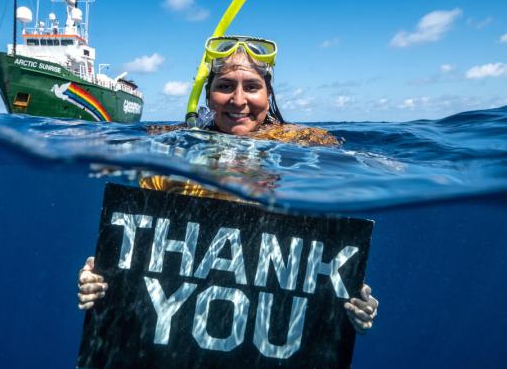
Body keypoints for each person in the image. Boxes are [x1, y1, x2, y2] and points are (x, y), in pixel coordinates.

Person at [78, 35, 379, 334]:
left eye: (251, 87)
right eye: (225, 86)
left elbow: (322, 234)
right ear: (208, 94)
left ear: (268, 92)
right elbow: (142, 241)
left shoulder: (308, 142)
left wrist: (341, 295)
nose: (238, 101)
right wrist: (108, 272)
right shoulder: (166, 143)